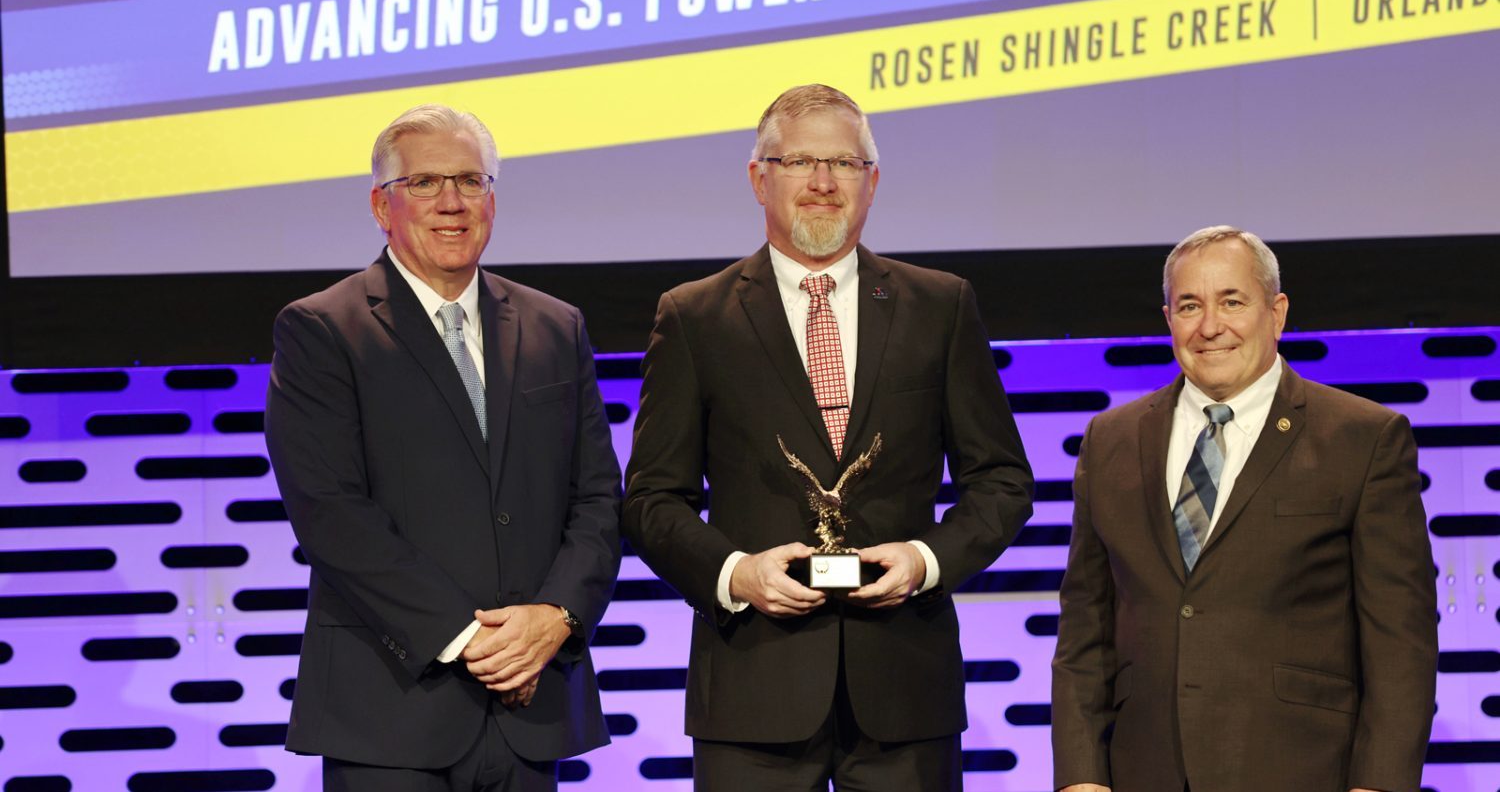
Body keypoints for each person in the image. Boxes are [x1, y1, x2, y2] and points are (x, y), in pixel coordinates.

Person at [622, 83, 1035, 790]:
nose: (821, 183)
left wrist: (926, 559)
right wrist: (735, 575)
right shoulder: (694, 318)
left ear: (872, 182)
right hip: (752, 690)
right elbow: (653, 499)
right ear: (759, 178)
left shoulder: (940, 306)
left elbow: (1001, 480)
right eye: (798, 163)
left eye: (843, 164)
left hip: (905, 690)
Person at [264, 104, 621, 791]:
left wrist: (557, 617)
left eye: (471, 182)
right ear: (381, 204)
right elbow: (330, 514)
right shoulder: (321, 329)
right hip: (391, 712)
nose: (452, 203)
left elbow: (599, 498)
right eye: (425, 184)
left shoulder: (555, 324)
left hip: (532, 702)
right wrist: (472, 640)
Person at [1051, 226, 1438, 792]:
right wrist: (1081, 780)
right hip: (1144, 772)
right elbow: (1085, 630)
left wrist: (1377, 784)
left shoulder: (1362, 438)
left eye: (1232, 301)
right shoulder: (1110, 439)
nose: (1211, 326)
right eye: (1190, 306)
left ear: (1276, 313)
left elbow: (1401, 641)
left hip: (1303, 771)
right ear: (1168, 320)